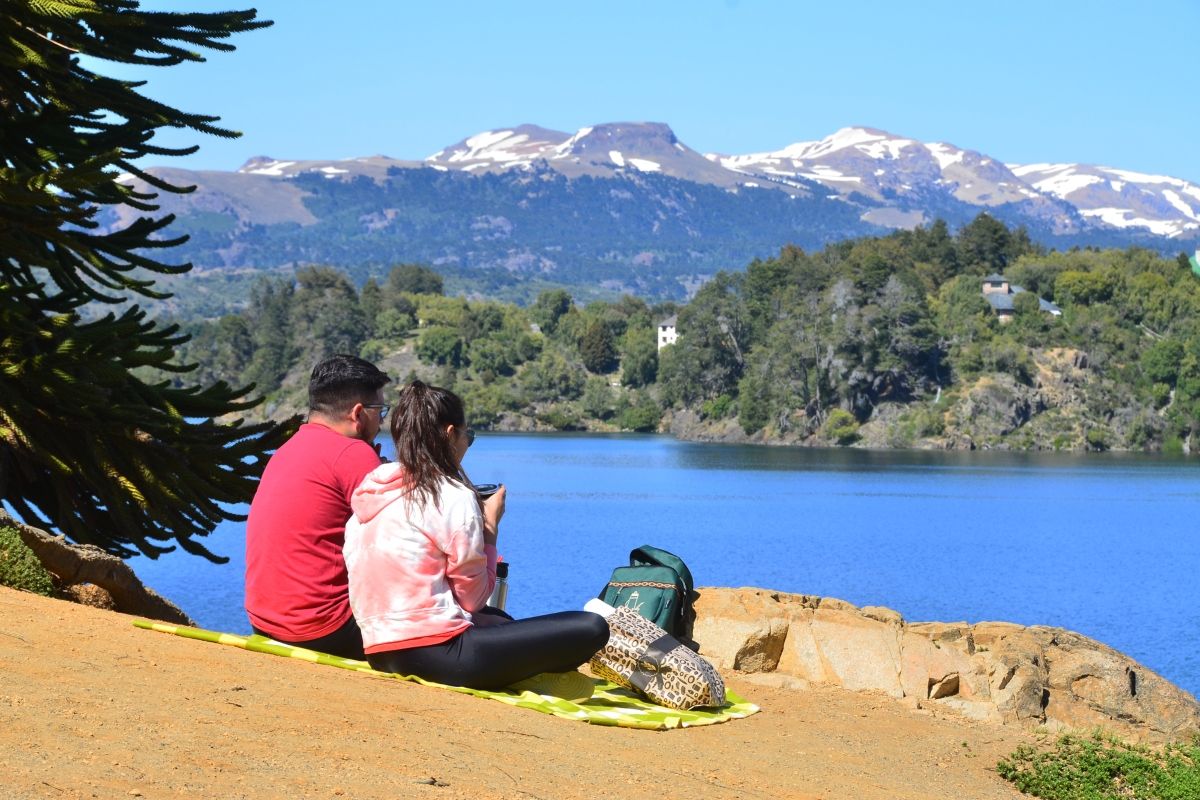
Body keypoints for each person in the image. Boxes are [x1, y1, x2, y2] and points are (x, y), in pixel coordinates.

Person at [343, 380, 609, 689]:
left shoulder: (371, 495)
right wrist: (490, 529)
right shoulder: (452, 495)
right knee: (592, 627)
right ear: (449, 434)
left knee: (501, 621)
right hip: (439, 653)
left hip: (379, 649)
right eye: (468, 436)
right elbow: (472, 600)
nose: (467, 445)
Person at [244, 354, 390, 659]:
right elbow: (407, 539)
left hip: (265, 622)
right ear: (359, 414)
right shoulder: (352, 453)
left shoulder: (286, 450)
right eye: (381, 411)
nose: (382, 421)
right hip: (324, 629)